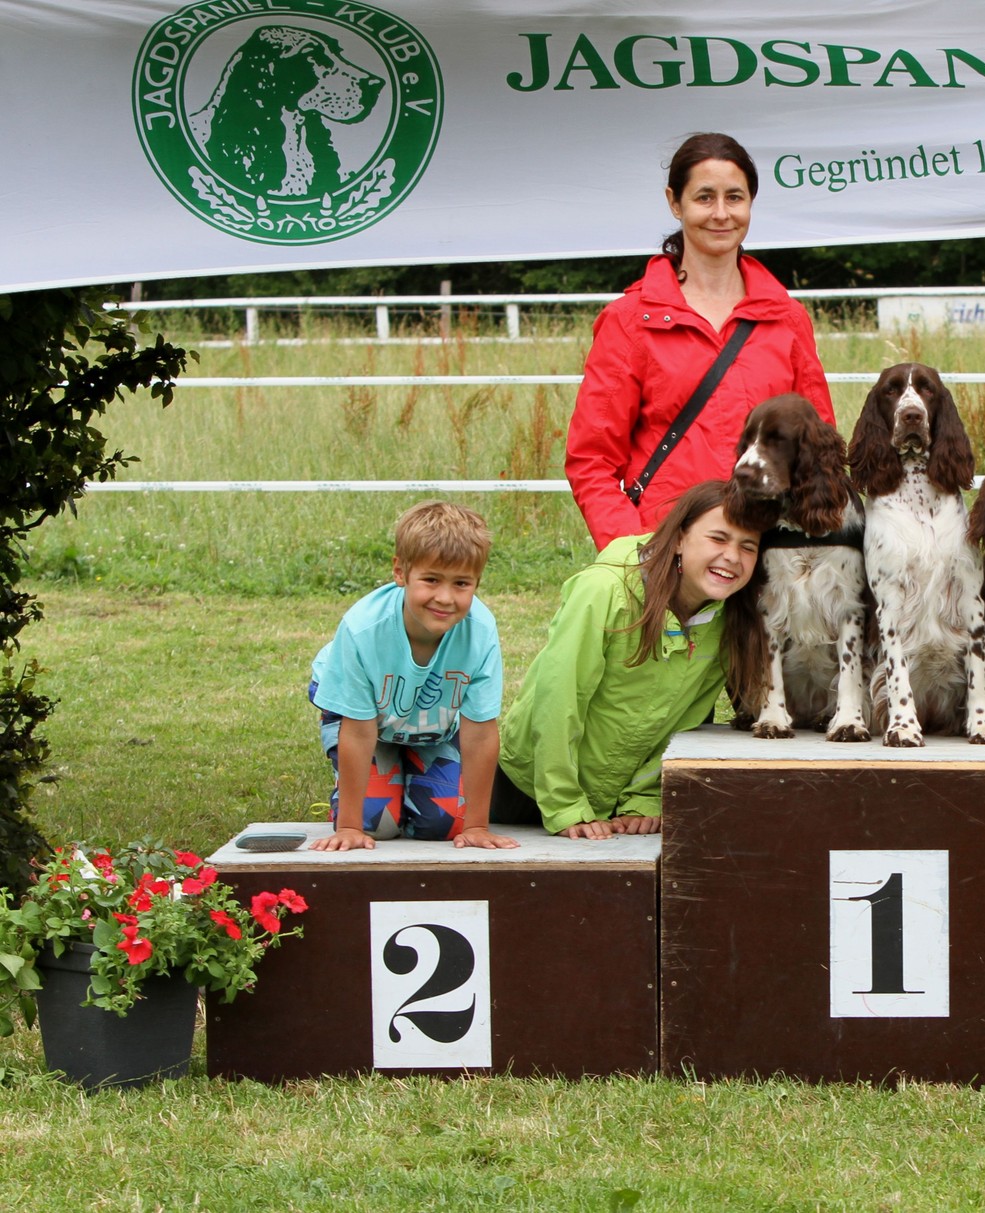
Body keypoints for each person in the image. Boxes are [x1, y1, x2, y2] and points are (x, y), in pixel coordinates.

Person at [566, 132, 835, 550]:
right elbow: (591, 460)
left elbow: (819, 445)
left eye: (735, 197)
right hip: (669, 547)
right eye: (705, 197)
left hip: (765, 552)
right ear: (675, 203)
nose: (721, 214)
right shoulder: (630, 320)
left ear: (750, 204)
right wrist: (634, 550)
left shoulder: (787, 318)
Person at [493, 480, 766, 837]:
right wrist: (565, 805)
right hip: (528, 788)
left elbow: (686, 719)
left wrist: (644, 797)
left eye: (748, 547)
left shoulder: (726, 619)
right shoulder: (604, 590)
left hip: (613, 808)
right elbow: (560, 698)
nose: (732, 556)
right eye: (718, 538)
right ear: (680, 538)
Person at [306, 501, 515, 852]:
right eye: (431, 579)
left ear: (477, 582)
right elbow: (358, 733)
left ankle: (413, 769)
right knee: (376, 825)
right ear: (401, 572)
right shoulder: (362, 630)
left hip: (431, 722)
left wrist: (477, 826)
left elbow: (479, 733)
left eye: (461, 583)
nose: (445, 598)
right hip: (364, 721)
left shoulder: (480, 631)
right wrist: (349, 827)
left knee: (445, 824)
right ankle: (374, 782)